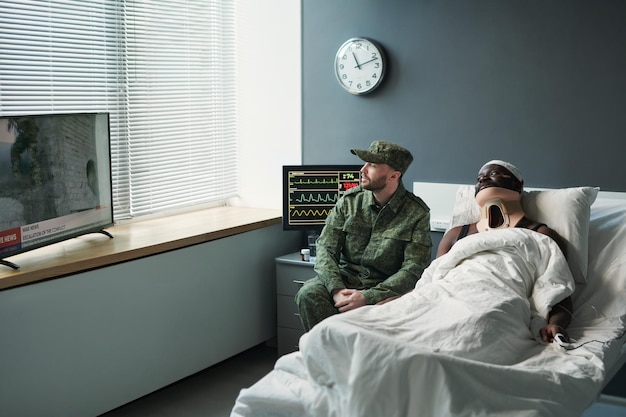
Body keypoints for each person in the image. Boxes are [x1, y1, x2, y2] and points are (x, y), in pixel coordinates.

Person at [294, 140, 432, 331]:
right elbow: (325, 247)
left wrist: (369, 296)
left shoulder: (417, 213)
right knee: (308, 293)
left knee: (389, 309)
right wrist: (336, 290)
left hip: (382, 287)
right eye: (365, 163)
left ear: (394, 175)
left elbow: (413, 268)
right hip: (343, 280)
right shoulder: (349, 201)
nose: (363, 169)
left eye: (372, 165)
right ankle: (328, 356)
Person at [437, 159, 573, 343]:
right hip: (447, 298)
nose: (483, 179)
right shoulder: (456, 233)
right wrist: (409, 297)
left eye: (492, 174)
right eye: (479, 178)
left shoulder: (542, 234)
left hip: (498, 300)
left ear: (519, 184)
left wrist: (557, 323)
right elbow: (435, 276)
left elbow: (559, 288)